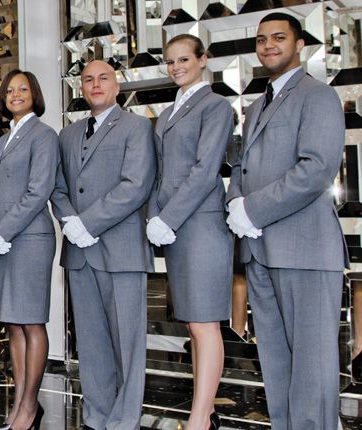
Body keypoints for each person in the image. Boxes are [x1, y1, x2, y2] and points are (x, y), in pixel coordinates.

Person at [226, 12, 348, 429]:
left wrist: (252, 210)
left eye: (278, 37)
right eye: (261, 40)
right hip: (261, 251)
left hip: (305, 250)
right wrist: (235, 202)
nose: (268, 46)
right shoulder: (257, 104)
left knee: (312, 369)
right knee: (277, 366)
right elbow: (241, 168)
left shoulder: (318, 96)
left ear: (299, 45)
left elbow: (316, 169)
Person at [50, 59, 155, 430]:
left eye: (103, 78)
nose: (95, 84)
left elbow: (136, 185)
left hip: (121, 251)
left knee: (127, 343)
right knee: (91, 343)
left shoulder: (137, 127)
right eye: (88, 79)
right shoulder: (67, 135)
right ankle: (97, 416)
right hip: (80, 253)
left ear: (117, 86)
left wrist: (88, 223)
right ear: (81, 87)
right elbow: (57, 187)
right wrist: (70, 222)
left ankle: (125, 420)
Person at [147, 34, 235, 430]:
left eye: (184, 59)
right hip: (174, 227)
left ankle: (199, 418)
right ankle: (206, 412)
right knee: (192, 323)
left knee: (204, 322)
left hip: (201, 224)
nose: (176, 67)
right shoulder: (167, 113)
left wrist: (168, 217)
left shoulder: (215, 106)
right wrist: (156, 216)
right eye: (170, 61)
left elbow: (205, 171)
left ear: (203, 59)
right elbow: (159, 174)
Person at [0, 69, 59, 430]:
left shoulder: (44, 135)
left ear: (34, 94)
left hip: (30, 238)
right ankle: (20, 403)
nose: (15, 95)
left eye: (22, 89)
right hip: (2, 242)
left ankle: (28, 407)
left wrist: (3, 230)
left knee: (31, 321)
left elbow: (38, 191)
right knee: (13, 323)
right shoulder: (1, 142)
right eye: (9, 90)